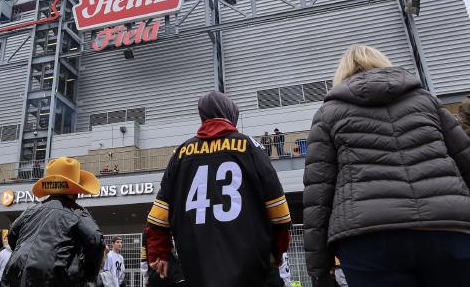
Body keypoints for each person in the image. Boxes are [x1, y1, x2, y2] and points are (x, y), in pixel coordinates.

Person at [303, 45, 470, 287]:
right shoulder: (427, 101)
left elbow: (318, 192)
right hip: (447, 225)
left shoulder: (328, 113)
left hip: (368, 237)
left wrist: (319, 266)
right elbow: (465, 160)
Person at [145, 91, 292, 287]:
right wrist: (277, 249)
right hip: (249, 268)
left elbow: (157, 218)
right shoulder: (249, 146)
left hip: (197, 268)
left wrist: (159, 252)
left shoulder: (181, 154)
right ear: (230, 113)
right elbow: (278, 209)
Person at [1, 157, 105, 287]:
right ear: (76, 192)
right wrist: (89, 273)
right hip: (56, 275)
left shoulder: (31, 210)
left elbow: (12, 234)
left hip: (16, 272)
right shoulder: (76, 211)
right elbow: (96, 240)